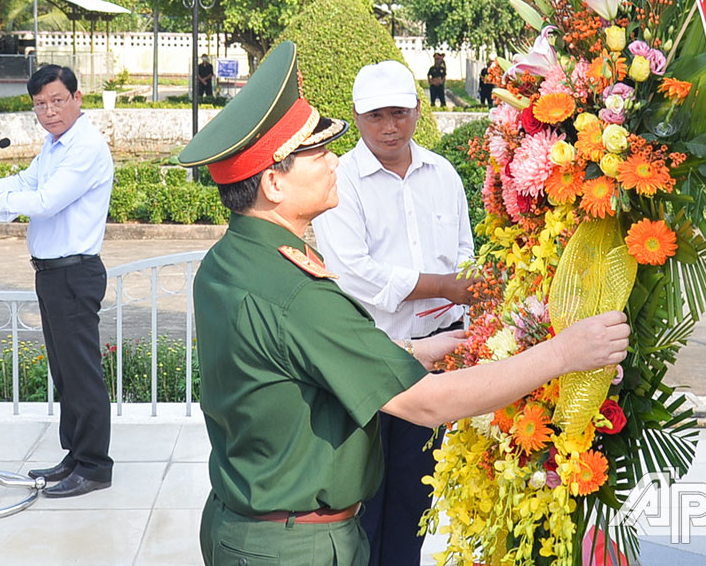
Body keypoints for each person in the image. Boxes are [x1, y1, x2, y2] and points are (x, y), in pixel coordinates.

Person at [177, 41, 630, 566]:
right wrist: (564, 353)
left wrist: (414, 351)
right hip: (293, 545)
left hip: (246, 522)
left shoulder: (232, 259)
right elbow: (428, 404)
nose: (332, 164)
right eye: (316, 153)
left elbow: (291, 362)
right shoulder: (297, 290)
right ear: (274, 183)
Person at [311, 60, 479, 566]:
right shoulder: (343, 180)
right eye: (376, 116)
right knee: (361, 496)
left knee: (414, 494)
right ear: (357, 118)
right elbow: (357, 274)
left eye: (399, 114)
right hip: (367, 358)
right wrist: (447, 286)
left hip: (434, 362)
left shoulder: (442, 173)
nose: (389, 127)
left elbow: (464, 252)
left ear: (418, 111)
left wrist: (465, 317)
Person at [0, 64, 115, 497]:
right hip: (53, 274)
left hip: (75, 272)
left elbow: (45, 202)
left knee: (82, 374)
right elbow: (22, 182)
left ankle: (94, 466)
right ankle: (74, 457)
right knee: (65, 373)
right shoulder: (54, 147)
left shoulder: (85, 147)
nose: (49, 111)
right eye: (39, 104)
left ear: (78, 99)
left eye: (56, 100)